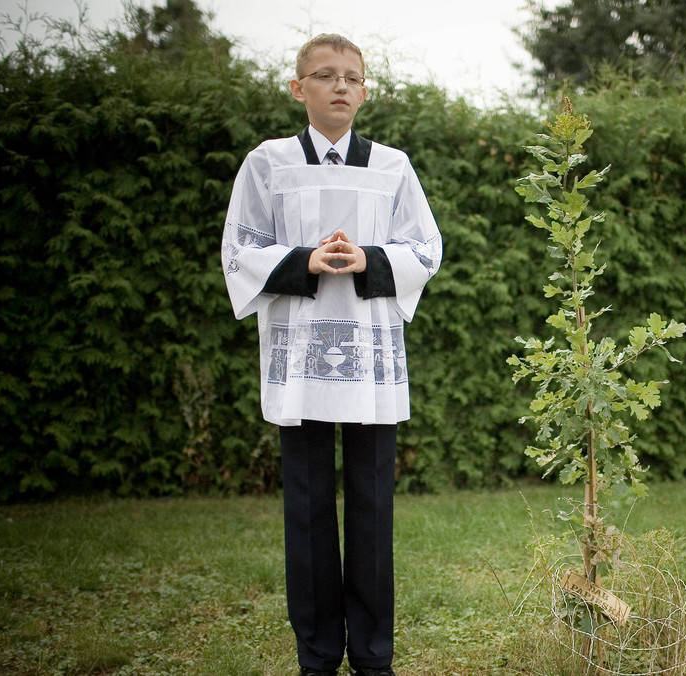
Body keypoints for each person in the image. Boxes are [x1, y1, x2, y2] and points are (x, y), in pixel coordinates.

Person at [220, 33, 441, 676]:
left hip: (370, 357)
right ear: (299, 88)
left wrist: (370, 258)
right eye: (325, 75)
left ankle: (374, 657)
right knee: (309, 504)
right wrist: (304, 261)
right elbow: (240, 247)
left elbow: (426, 249)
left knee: (372, 505)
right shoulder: (267, 163)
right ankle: (316, 655)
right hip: (301, 357)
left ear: (364, 91)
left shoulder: (393, 166)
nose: (340, 86)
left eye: (352, 77)